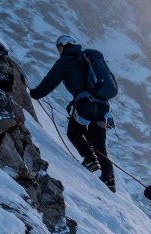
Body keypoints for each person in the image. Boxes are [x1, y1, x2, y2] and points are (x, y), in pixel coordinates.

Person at [29, 35, 115, 192]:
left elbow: (49, 82)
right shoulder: (88, 59)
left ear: (62, 47)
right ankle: (109, 178)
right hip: (103, 107)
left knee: (73, 133)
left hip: (85, 106)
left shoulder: (65, 62)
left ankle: (90, 160)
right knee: (99, 144)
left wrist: (34, 94)